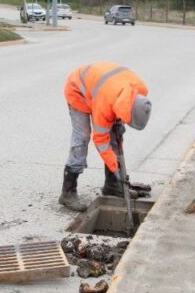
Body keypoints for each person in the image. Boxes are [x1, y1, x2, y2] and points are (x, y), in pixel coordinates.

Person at [59, 62, 152, 211]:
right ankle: (68, 192)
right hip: (78, 91)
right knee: (82, 138)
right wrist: (115, 167)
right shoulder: (105, 105)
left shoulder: (139, 90)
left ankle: (112, 185)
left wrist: (118, 124)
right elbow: (101, 141)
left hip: (101, 89)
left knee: (115, 135)